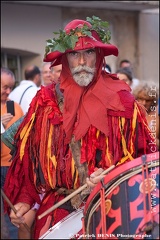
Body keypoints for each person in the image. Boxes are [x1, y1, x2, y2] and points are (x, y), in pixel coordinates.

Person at [3, 16, 157, 239]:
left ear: (99, 56)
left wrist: (113, 174)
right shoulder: (45, 102)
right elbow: (28, 164)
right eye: (74, 54)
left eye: (89, 52)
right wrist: (23, 202)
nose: (82, 61)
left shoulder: (123, 101)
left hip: (112, 210)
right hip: (57, 213)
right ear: (65, 58)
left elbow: (145, 160)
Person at [1, 67, 24, 239]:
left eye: (11, 87)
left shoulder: (14, 107)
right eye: (4, 87)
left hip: (13, 168)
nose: (8, 92)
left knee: (15, 215)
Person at [133, 80, 159, 149]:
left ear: (153, 100)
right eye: (141, 99)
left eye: (148, 100)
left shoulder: (157, 115)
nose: (144, 103)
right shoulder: (132, 114)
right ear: (136, 98)